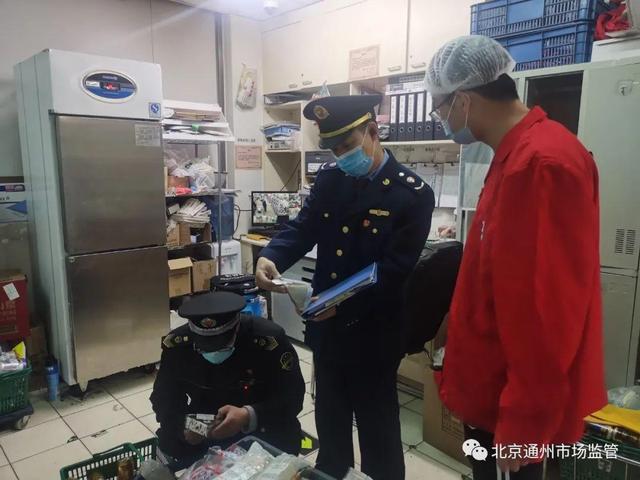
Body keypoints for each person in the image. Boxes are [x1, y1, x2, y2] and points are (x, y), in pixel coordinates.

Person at [423, 35, 607, 480]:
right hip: (489, 386)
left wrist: (522, 420)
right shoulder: (512, 155)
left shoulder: (540, 163)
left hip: (510, 406)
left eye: (439, 108)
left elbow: (545, 311)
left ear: (463, 100)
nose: (442, 120)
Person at [255, 94, 435, 480]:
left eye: (347, 145)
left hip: (373, 331)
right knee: (330, 418)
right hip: (327, 329)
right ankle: (331, 474)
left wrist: (342, 304)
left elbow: (394, 270)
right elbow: (304, 227)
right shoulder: (331, 179)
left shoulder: (412, 194)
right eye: (334, 149)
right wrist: (271, 254)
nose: (341, 156)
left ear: (372, 131)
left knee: (377, 428)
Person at [150, 291, 305, 471]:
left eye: (223, 346)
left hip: (260, 423)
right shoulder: (178, 345)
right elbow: (163, 398)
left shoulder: (267, 340)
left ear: (236, 328)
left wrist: (248, 415)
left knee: (285, 442)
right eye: (203, 347)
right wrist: (187, 427)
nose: (213, 352)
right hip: (205, 427)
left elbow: (293, 397)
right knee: (169, 440)